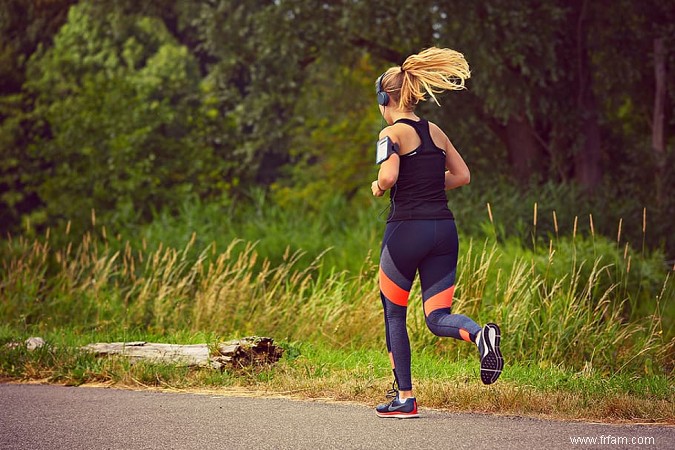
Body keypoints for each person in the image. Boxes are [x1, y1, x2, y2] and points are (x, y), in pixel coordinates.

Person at [370, 47, 503, 419]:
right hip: (444, 231)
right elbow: (462, 176)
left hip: (406, 233)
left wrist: (380, 187)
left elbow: (389, 176)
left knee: (394, 314)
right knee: (437, 316)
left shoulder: (390, 133)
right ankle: (480, 335)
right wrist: (427, 182)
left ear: (386, 98)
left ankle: (406, 398)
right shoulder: (435, 131)